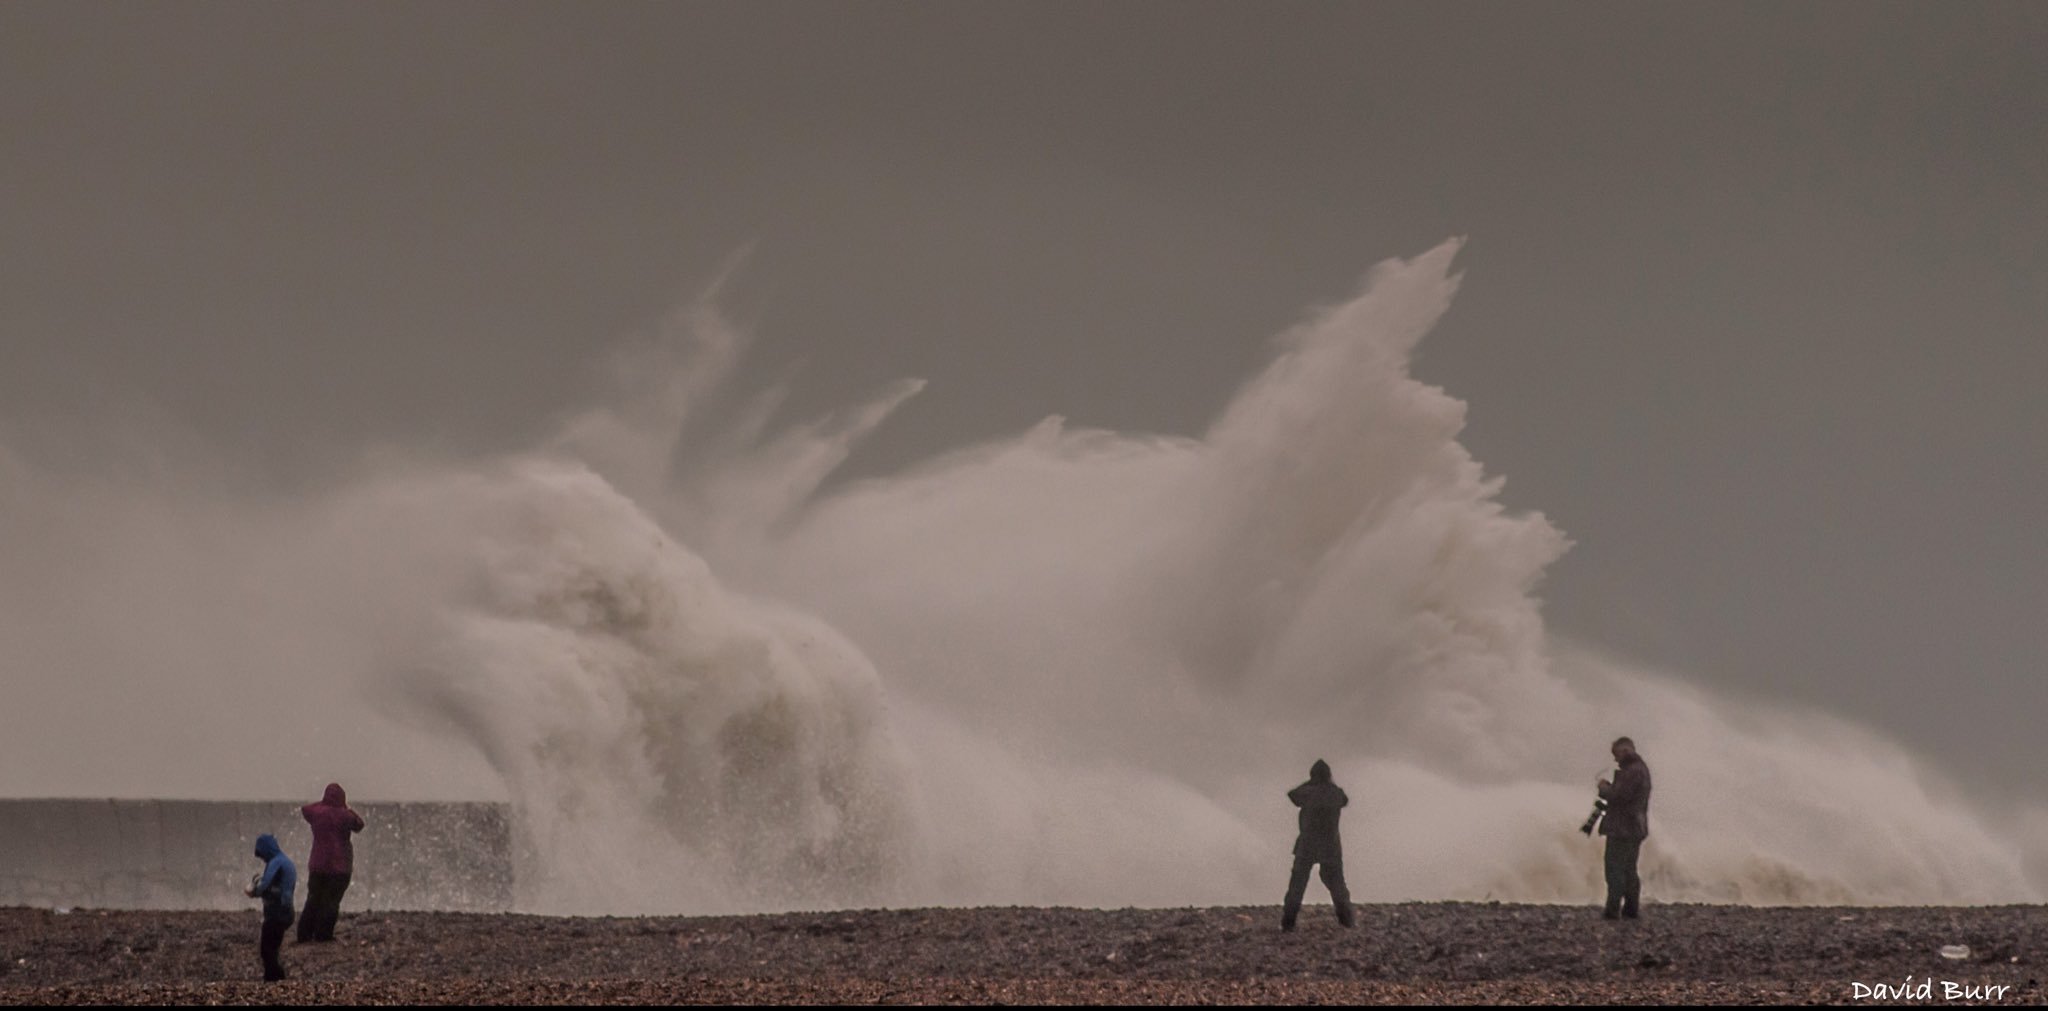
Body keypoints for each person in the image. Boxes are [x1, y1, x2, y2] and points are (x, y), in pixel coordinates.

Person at [1281, 758, 1354, 931]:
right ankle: (1346, 920)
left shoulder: (1307, 792)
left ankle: (1288, 922)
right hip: (1330, 845)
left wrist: (1311, 783)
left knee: (1297, 884)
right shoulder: (1335, 793)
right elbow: (1344, 801)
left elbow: (1293, 795)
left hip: (1308, 844)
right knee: (1337, 884)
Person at [299, 782, 366, 942]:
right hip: (339, 866)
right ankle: (323, 934)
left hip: (318, 864)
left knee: (313, 899)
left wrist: (323, 804)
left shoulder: (316, 813)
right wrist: (346, 807)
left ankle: (304, 934)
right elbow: (359, 824)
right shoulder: (344, 815)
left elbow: (305, 809)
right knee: (331, 901)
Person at [1596, 736, 1652, 920]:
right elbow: (1626, 795)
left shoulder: (1633, 771)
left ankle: (1613, 910)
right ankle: (1630, 909)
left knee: (1614, 868)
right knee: (1628, 869)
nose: (1615, 759)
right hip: (1634, 827)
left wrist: (1604, 789)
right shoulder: (1639, 770)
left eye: (1616, 755)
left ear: (1625, 751)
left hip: (1623, 828)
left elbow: (1619, 796)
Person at [245, 833, 297, 981]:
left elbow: (265, 885)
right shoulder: (286, 862)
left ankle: (276, 979)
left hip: (277, 912)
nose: (262, 858)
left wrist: (254, 892)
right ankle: (273, 979)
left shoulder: (276, 862)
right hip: (286, 911)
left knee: (267, 949)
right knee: (273, 947)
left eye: (261, 854)